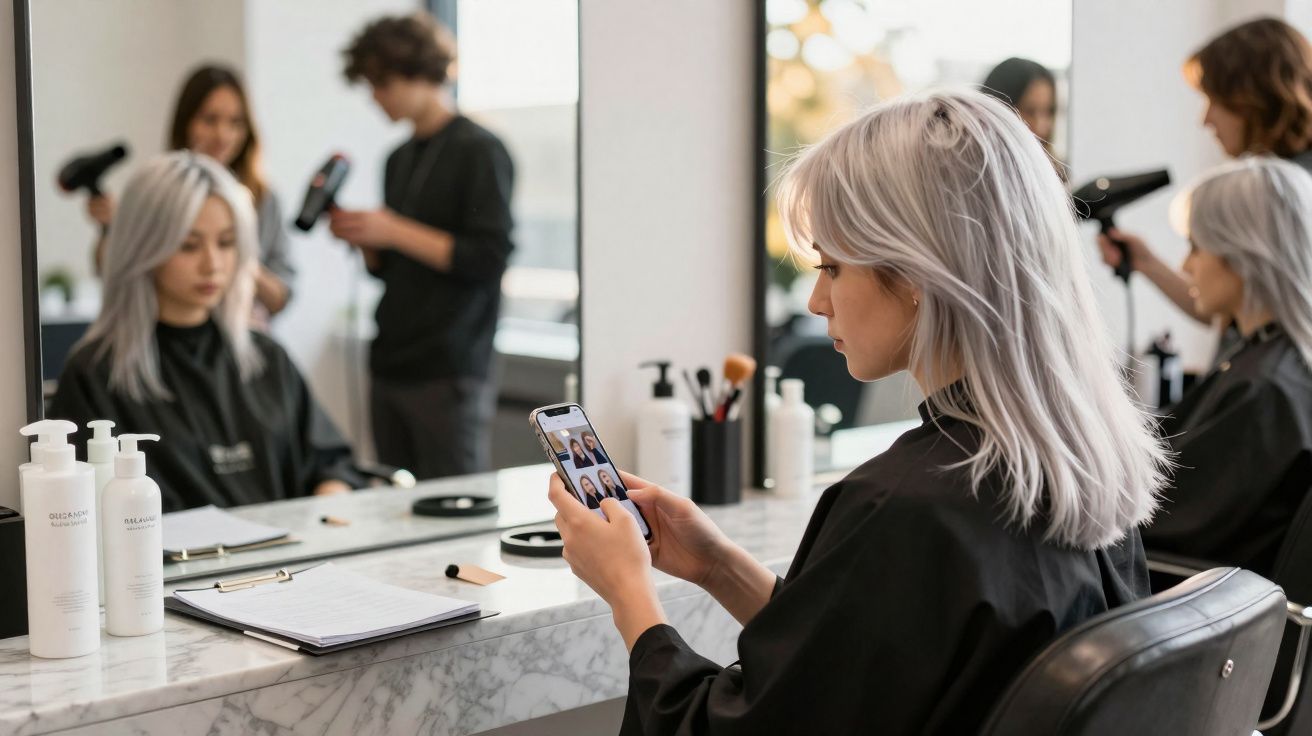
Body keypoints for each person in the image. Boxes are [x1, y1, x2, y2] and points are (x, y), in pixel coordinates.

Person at [547, 89, 1168, 734]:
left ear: (922, 275)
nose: (817, 301)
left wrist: (630, 597)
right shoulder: (1073, 462)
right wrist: (718, 565)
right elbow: (851, 680)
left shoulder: (906, 507)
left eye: (833, 267)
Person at [51, 152, 361, 512]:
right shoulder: (96, 374)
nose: (212, 264)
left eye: (227, 242)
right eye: (189, 245)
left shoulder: (266, 358)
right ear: (143, 248)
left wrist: (327, 505)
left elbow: (332, 463)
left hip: (285, 564)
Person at [334, 12, 515, 480]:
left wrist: (393, 230)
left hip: (450, 368)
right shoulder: (398, 159)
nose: (374, 96)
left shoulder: (481, 150)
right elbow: (392, 272)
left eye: (382, 82)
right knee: (395, 498)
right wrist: (369, 241)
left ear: (418, 72)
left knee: (457, 504)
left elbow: (487, 258)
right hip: (392, 359)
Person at [1139, 157, 1312, 576]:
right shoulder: (1275, 364)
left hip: (1187, 606)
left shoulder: (1264, 389)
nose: (1186, 265)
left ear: (1241, 253)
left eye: (1196, 246)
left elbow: (1160, 524)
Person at [1098, 18, 1312, 331]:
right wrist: (1146, 263)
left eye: (1215, 101)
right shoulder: (1259, 188)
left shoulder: (1290, 194)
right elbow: (1224, 310)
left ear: (1253, 99)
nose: (1206, 119)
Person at [88, 65, 295, 320]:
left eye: (235, 122)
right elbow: (110, 271)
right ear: (186, 122)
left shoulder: (264, 199)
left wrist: (239, 261)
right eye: (210, 120)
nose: (223, 135)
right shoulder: (158, 194)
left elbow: (281, 297)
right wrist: (115, 229)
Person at [981, 57, 1058, 156]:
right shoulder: (968, 167)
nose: (1040, 127)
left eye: (1049, 112)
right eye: (1029, 111)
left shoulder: (1057, 168)